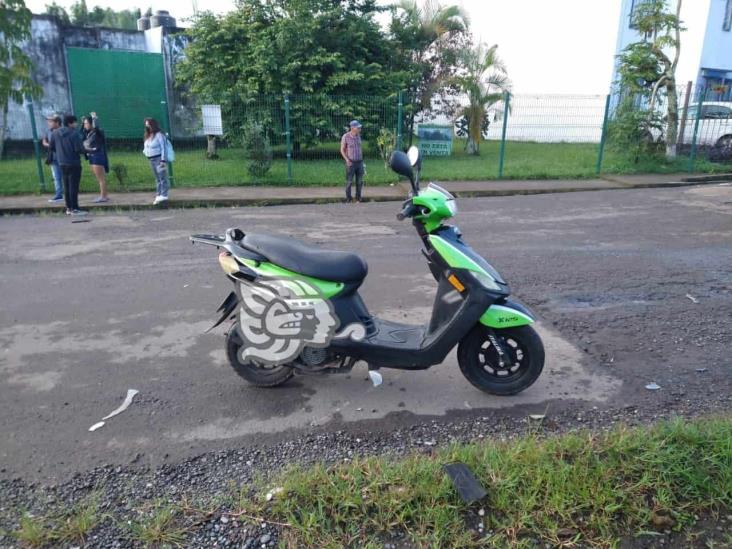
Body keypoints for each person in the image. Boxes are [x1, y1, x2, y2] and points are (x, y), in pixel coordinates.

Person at [49, 114, 86, 215]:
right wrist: (87, 150)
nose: (76, 124)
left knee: (66, 186)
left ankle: (68, 208)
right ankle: (75, 208)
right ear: (70, 123)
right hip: (74, 163)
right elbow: (79, 149)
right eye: (75, 122)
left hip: (62, 163)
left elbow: (51, 147)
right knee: (73, 186)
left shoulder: (55, 133)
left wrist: (61, 151)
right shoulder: (74, 134)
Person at [82, 112, 110, 203]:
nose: (84, 125)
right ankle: (104, 195)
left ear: (91, 123)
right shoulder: (89, 133)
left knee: (101, 178)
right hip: (92, 157)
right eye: (84, 123)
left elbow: (97, 127)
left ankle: (103, 197)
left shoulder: (97, 132)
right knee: (100, 178)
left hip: (97, 157)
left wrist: (94, 118)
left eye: (86, 123)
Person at [143, 117, 169, 205]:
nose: (147, 127)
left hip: (159, 159)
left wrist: (163, 160)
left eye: (149, 125)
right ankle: (158, 194)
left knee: (162, 177)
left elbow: (163, 148)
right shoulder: (148, 135)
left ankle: (164, 194)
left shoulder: (159, 135)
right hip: (151, 159)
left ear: (153, 125)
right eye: (146, 125)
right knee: (157, 178)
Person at [340, 120, 365, 203]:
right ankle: (349, 199)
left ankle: (358, 198)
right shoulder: (345, 136)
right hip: (350, 162)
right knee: (349, 182)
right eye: (358, 127)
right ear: (352, 128)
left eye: (359, 127)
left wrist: (362, 162)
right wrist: (347, 160)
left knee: (359, 182)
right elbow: (342, 150)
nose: (359, 128)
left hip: (360, 162)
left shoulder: (358, 136)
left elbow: (360, 148)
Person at [42, 113, 63, 203]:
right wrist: (49, 144)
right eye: (48, 121)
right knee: (56, 177)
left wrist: (50, 144)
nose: (48, 123)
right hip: (53, 158)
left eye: (51, 121)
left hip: (63, 157)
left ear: (57, 122)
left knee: (66, 176)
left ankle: (69, 194)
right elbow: (44, 141)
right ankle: (59, 195)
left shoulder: (63, 131)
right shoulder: (48, 131)